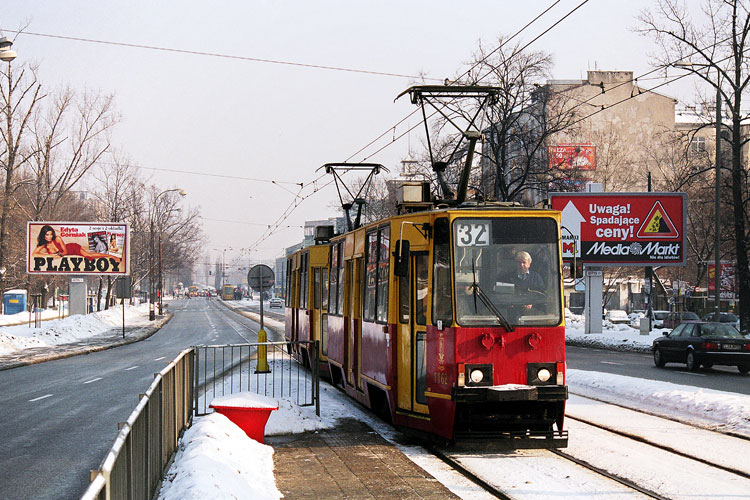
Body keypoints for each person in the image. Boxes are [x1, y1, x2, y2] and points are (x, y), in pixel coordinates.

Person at [32, 225, 119, 261]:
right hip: (67, 253)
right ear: (43, 235)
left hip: (72, 248)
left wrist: (59, 255)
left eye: (51, 234)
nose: (50, 236)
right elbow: (34, 254)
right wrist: (49, 256)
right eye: (47, 235)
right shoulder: (43, 244)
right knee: (88, 252)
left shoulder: (57, 239)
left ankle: (111, 256)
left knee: (89, 255)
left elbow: (65, 252)